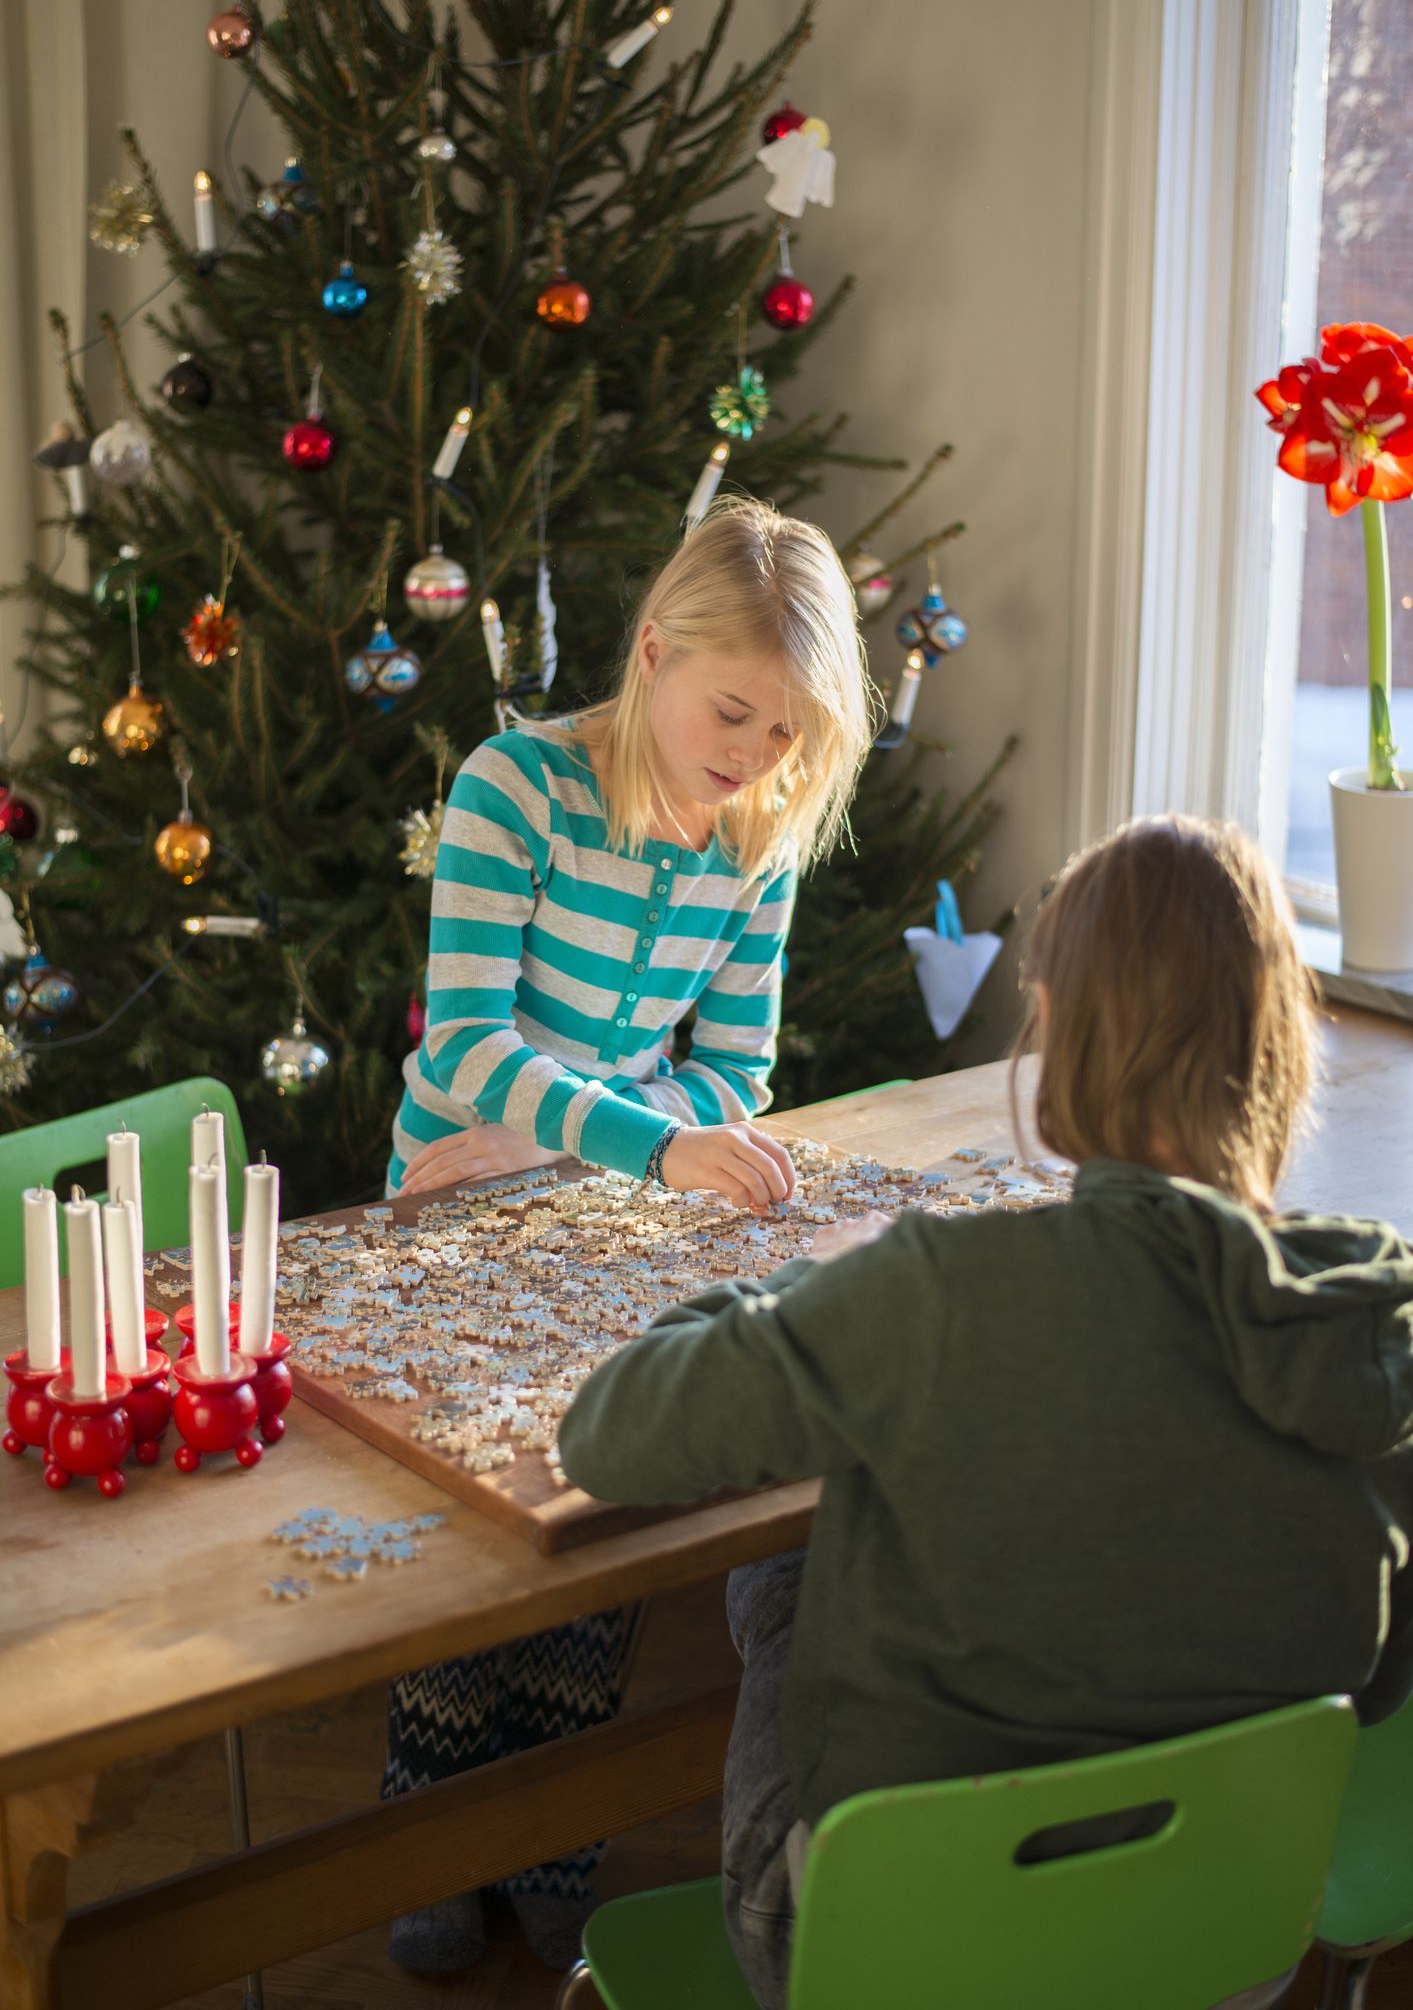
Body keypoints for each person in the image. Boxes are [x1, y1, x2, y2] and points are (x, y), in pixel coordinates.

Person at [558, 815, 1413, 2010]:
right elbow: (1371, 1687)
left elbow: (611, 1430)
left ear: (1055, 1031)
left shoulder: (940, 1289)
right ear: (1283, 1052)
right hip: (1219, 1944)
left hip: (880, 1949)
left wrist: (818, 1282)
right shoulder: (1379, 1317)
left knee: (794, 1559)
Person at [382, 499, 876, 1973]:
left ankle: (553, 1839)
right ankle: (430, 1829)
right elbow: (464, 1041)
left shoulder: (758, 837)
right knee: (468, 1551)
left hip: (616, 1222)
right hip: (450, 1227)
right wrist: (654, 1132)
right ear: (653, 648)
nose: (750, 756)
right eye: (731, 712)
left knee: (595, 1513)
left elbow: (741, 1071)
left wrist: (581, 1130)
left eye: (785, 737)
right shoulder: (512, 789)